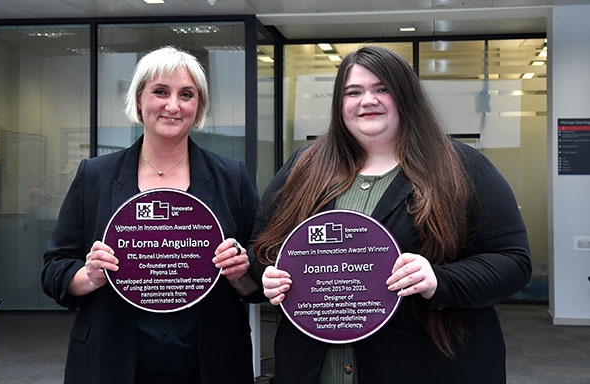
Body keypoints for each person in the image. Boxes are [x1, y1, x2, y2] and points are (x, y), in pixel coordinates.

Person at [248, 46, 532, 383]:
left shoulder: (461, 167)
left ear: (405, 96)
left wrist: (439, 280)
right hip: (313, 368)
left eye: (382, 88)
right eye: (354, 92)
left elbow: (513, 262)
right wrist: (269, 274)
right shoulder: (302, 168)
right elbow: (261, 249)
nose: (368, 100)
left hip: (425, 366)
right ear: (340, 103)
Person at [42, 46, 260, 384]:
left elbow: (260, 271)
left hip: (211, 364)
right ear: (139, 100)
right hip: (111, 363)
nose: (173, 105)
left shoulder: (231, 177)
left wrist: (241, 272)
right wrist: (88, 276)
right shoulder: (95, 175)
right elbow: (54, 268)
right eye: (160, 91)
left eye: (186, 94)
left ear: (198, 106)